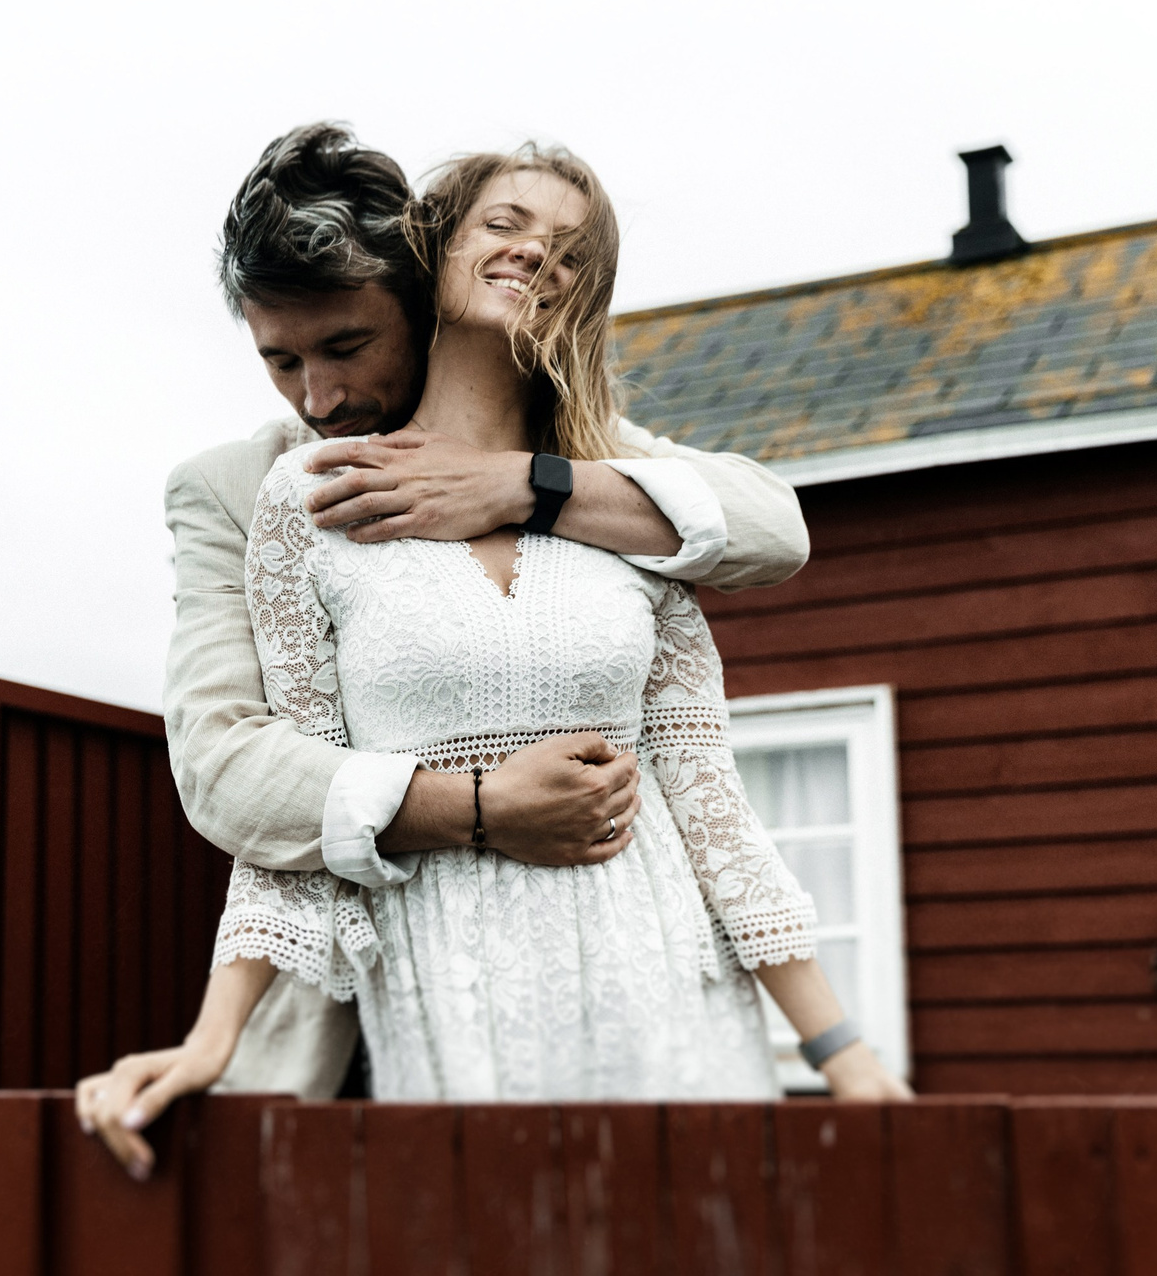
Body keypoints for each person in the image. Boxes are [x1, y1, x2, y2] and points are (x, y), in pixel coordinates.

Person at [81, 140, 909, 1179]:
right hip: (425, 987)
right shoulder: (274, 494)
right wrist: (478, 807)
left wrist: (523, 485)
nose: (320, 397)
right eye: (282, 361)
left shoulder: (608, 486)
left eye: (347, 345)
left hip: (658, 965)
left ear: (419, 289)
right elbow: (238, 775)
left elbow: (708, 775)